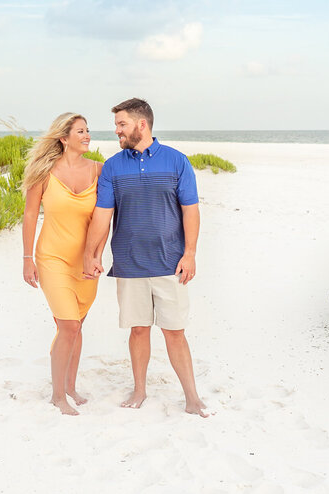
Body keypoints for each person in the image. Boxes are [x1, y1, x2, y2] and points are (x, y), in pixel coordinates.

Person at [83, 97, 207, 417]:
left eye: (121, 124)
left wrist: (190, 254)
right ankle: (139, 390)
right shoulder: (113, 166)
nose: (116, 131)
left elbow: (190, 211)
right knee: (138, 329)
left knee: (175, 331)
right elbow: (102, 214)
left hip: (170, 262)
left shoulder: (177, 161)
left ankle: (192, 396)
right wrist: (91, 253)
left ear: (142, 125)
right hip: (129, 261)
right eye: (116, 125)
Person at [22, 112, 104, 416]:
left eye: (87, 131)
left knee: (76, 325)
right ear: (63, 137)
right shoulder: (44, 172)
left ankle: (70, 386)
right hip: (52, 258)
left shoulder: (100, 170)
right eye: (80, 131)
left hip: (84, 262)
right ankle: (58, 396)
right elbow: (30, 215)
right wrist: (27, 258)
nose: (87, 136)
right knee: (68, 324)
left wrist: (96, 255)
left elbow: (104, 217)